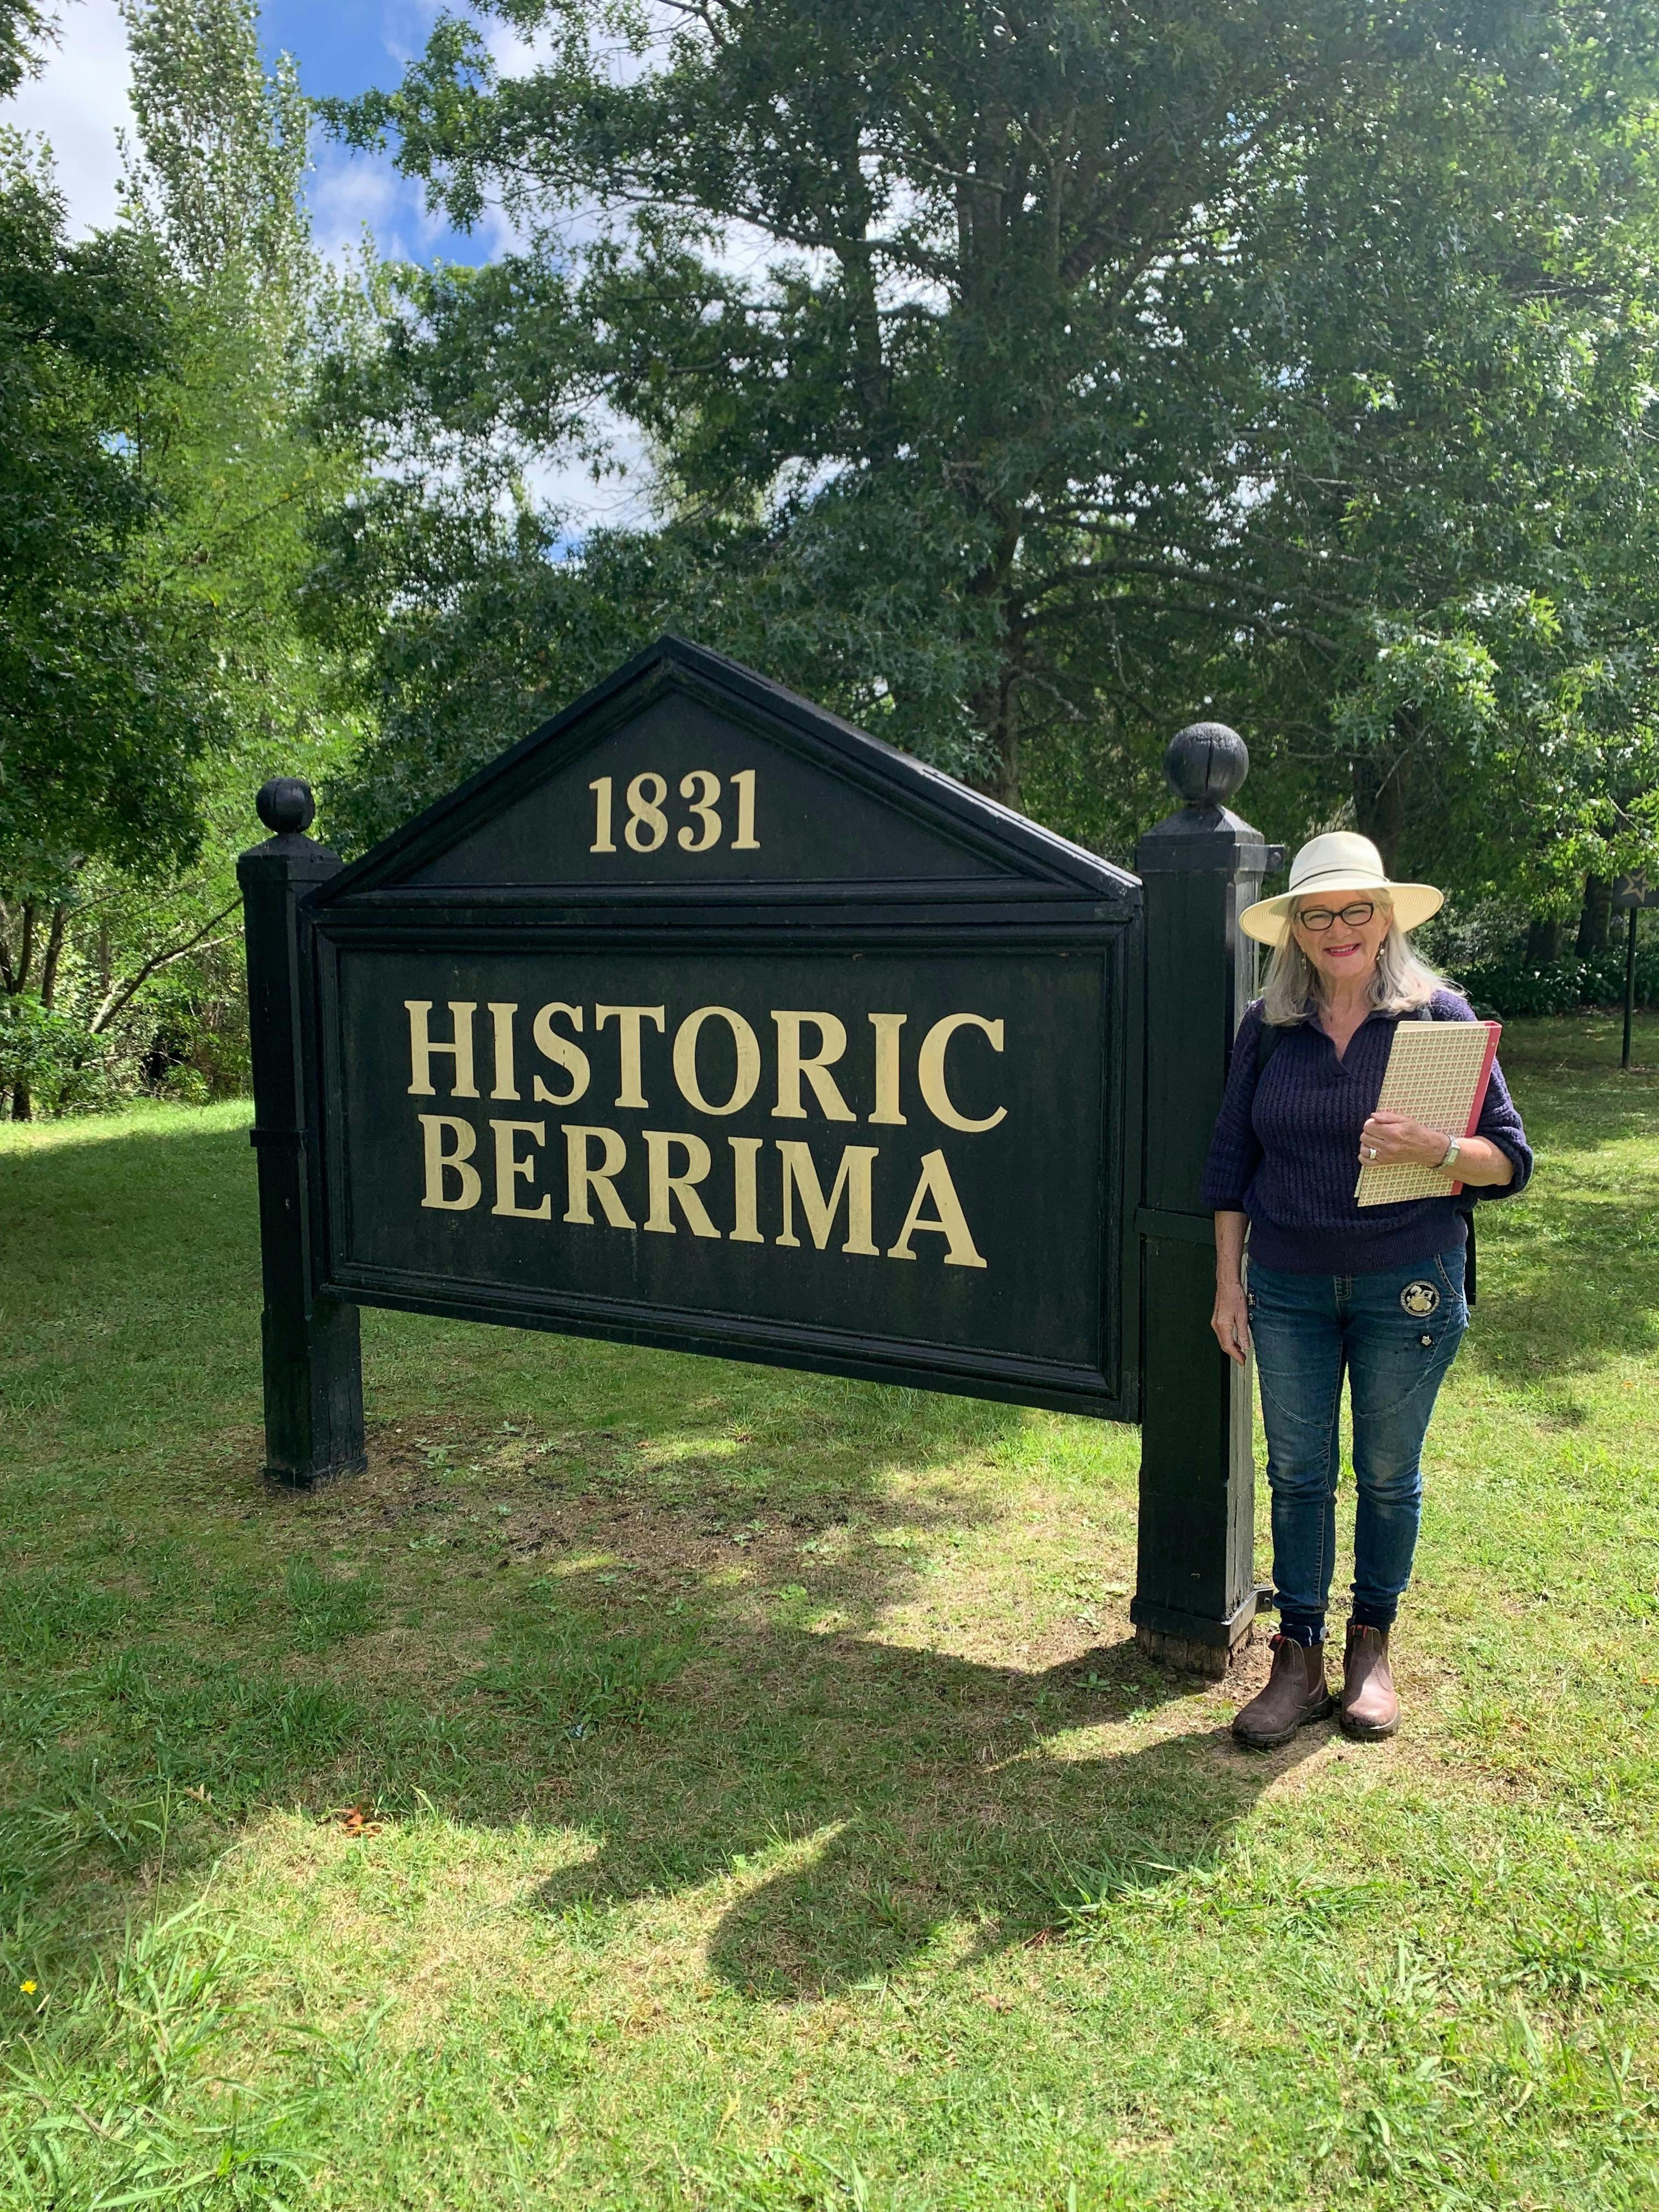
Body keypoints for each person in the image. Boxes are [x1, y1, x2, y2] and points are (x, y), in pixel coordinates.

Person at [1199, 833, 1532, 1749]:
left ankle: (1370, 1649)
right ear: (1295, 931)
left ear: (1385, 918)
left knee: (1388, 1475)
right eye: (1318, 913)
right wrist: (1229, 1283)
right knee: (1299, 1473)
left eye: (1357, 910)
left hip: (1408, 1284)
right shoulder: (1267, 1027)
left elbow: (1511, 1160)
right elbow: (1231, 1163)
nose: (1339, 927)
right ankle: (1297, 1657)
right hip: (1289, 1286)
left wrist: (1437, 1150)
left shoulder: (1439, 1017)